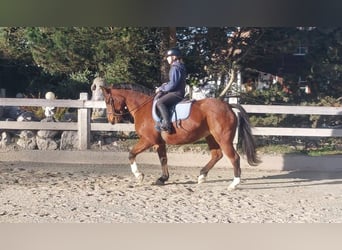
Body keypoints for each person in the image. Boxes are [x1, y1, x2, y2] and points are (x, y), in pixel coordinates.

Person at [155, 47, 187, 133]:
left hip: (176, 93)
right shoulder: (179, 66)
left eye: (168, 57)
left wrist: (161, 88)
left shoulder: (175, 67)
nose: (167, 59)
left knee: (160, 102)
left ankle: (167, 125)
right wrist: (166, 85)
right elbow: (173, 82)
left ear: (174, 57)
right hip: (178, 92)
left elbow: (173, 84)